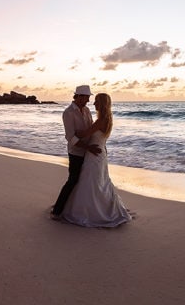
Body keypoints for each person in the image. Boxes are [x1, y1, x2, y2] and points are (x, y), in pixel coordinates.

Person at [60, 92, 132, 228]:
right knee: (100, 181)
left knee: (92, 182)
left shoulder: (100, 121)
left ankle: (91, 212)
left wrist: (72, 132)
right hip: (100, 153)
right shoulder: (107, 118)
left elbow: (83, 134)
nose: (93, 103)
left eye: (96, 101)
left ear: (102, 103)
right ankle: (104, 208)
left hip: (94, 154)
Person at [50, 85, 101, 220]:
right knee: (72, 180)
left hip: (88, 152)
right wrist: (88, 147)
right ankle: (57, 211)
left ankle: (72, 207)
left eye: (89, 97)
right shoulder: (68, 113)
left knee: (83, 181)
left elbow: (89, 129)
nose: (88, 100)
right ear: (78, 96)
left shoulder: (87, 110)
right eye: (86, 97)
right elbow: (70, 137)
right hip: (76, 152)